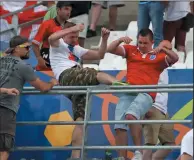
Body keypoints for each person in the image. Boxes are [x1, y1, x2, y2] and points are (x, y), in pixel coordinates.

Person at [48, 22, 120, 158]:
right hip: (67, 76)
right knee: (94, 73)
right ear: (65, 34)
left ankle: (75, 155)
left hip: (75, 85)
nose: (75, 39)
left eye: (76, 36)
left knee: (80, 120)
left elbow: (100, 55)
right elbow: (51, 38)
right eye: (72, 36)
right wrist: (73, 28)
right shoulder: (58, 44)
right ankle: (118, 84)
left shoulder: (75, 48)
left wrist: (104, 39)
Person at [107, 30, 179, 159]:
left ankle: (138, 153)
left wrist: (163, 50)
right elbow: (110, 49)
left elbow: (175, 58)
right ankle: (122, 157)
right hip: (139, 97)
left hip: (154, 102)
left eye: (145, 43)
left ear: (152, 43)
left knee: (167, 143)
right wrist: (119, 40)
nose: (142, 45)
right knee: (120, 125)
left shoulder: (159, 57)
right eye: (140, 42)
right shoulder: (132, 50)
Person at [0, 36, 58, 160]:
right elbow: (42, 87)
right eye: (26, 47)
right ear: (16, 49)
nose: (29, 50)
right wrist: (52, 83)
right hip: (5, 109)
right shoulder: (23, 66)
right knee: (4, 149)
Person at [142, 68, 175, 160]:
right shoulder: (149, 63)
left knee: (170, 144)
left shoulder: (163, 65)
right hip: (153, 107)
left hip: (163, 109)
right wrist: (147, 106)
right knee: (149, 144)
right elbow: (141, 84)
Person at [32, 1, 73, 70]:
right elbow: (35, 44)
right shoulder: (47, 24)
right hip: (48, 59)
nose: (68, 12)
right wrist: (39, 59)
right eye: (66, 9)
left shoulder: (71, 27)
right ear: (58, 10)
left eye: (70, 10)